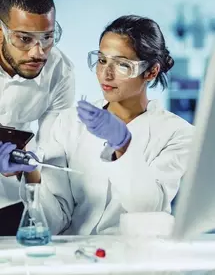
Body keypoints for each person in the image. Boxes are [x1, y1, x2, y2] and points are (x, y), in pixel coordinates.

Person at [2, 15, 193, 235]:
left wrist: (124, 145)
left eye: (122, 64)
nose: (106, 73)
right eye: (102, 60)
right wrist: (29, 173)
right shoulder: (70, 122)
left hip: (136, 258)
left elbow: (148, 209)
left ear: (151, 72)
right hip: (75, 259)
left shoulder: (178, 134)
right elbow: (53, 222)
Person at [0, 0, 75, 235]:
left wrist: (28, 165)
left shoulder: (59, 71)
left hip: (11, 202)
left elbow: (53, 151)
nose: (38, 52)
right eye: (24, 39)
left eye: (48, 37)